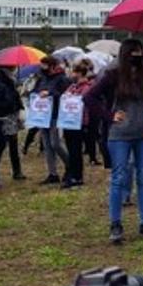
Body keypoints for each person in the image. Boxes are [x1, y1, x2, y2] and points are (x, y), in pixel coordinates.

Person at [88, 39, 143, 244]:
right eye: (134, 52)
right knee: (118, 177)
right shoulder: (113, 77)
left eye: (140, 51)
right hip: (119, 134)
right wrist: (108, 115)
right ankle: (115, 223)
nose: (138, 55)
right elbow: (89, 97)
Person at [32, 56, 72, 184]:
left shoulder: (62, 79)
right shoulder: (41, 78)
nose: (42, 68)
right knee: (47, 145)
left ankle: (70, 164)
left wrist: (50, 93)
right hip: (42, 115)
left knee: (56, 143)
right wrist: (35, 94)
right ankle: (52, 173)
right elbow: (35, 90)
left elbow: (66, 96)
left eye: (44, 65)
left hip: (56, 113)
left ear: (52, 66)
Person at [60, 60, 95, 189]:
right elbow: (64, 96)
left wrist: (70, 97)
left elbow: (82, 100)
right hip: (68, 121)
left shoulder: (86, 87)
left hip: (79, 122)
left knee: (76, 150)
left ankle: (77, 176)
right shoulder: (73, 86)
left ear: (80, 73)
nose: (72, 74)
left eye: (74, 72)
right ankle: (72, 173)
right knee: (71, 149)